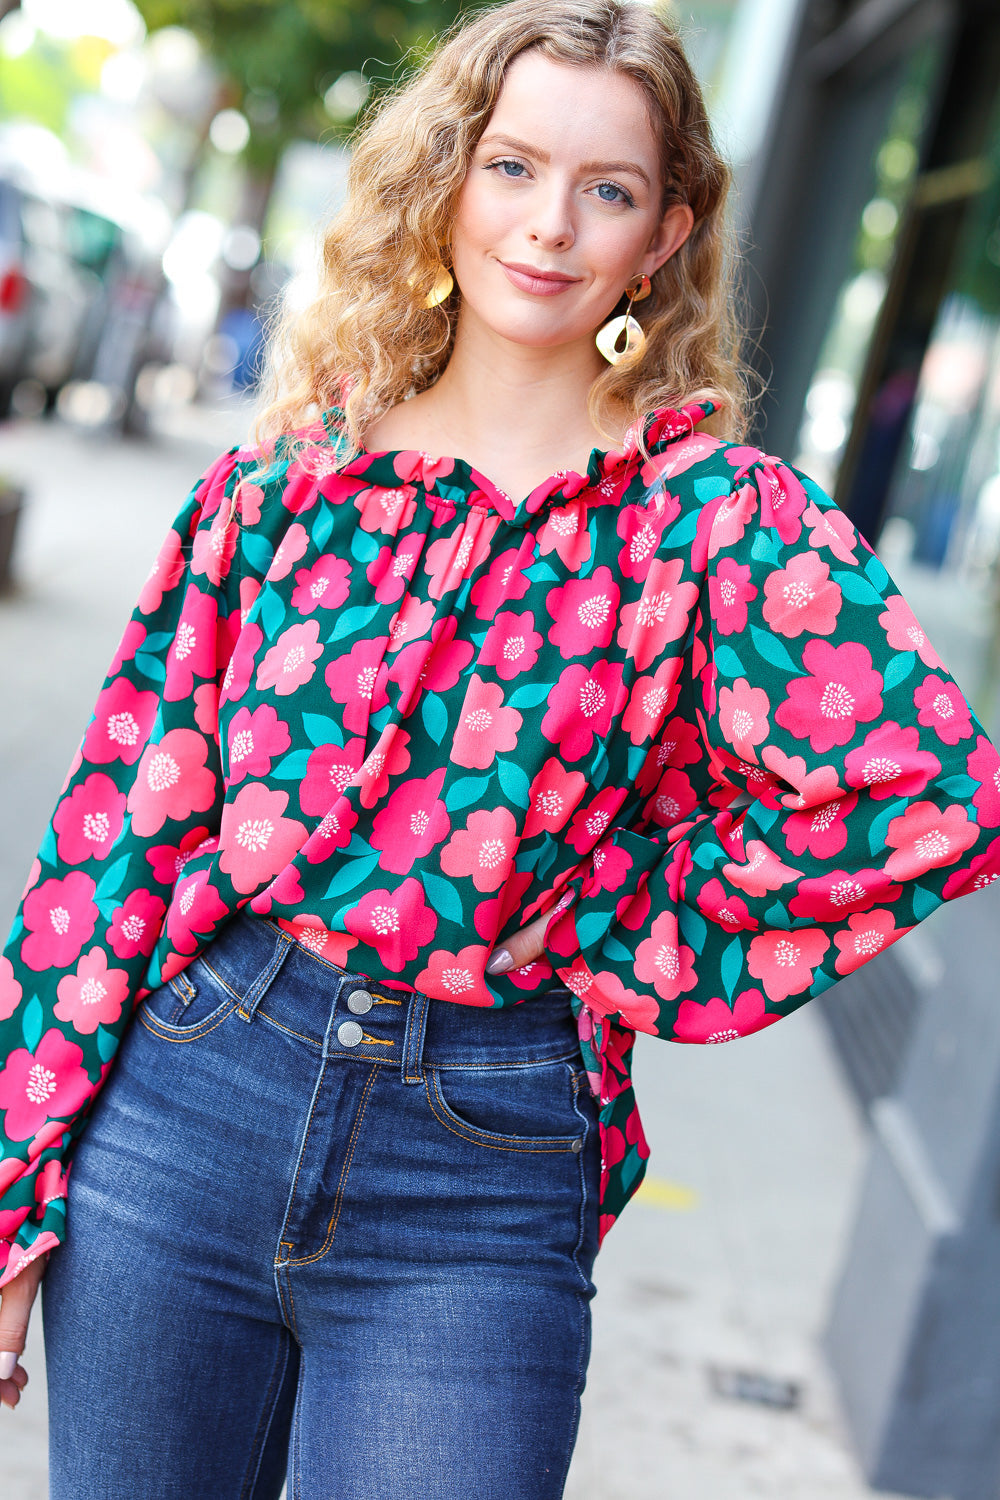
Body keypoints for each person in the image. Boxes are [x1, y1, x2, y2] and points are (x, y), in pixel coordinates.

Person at [1, 0, 999, 1493]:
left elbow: (933, 796)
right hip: (187, 1102)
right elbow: (112, 836)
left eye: (607, 189)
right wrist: (18, 1182)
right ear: (449, 182)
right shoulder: (288, 485)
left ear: (664, 236)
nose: (549, 226)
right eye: (514, 168)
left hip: (480, 1167)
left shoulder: (715, 525)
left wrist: (623, 919)